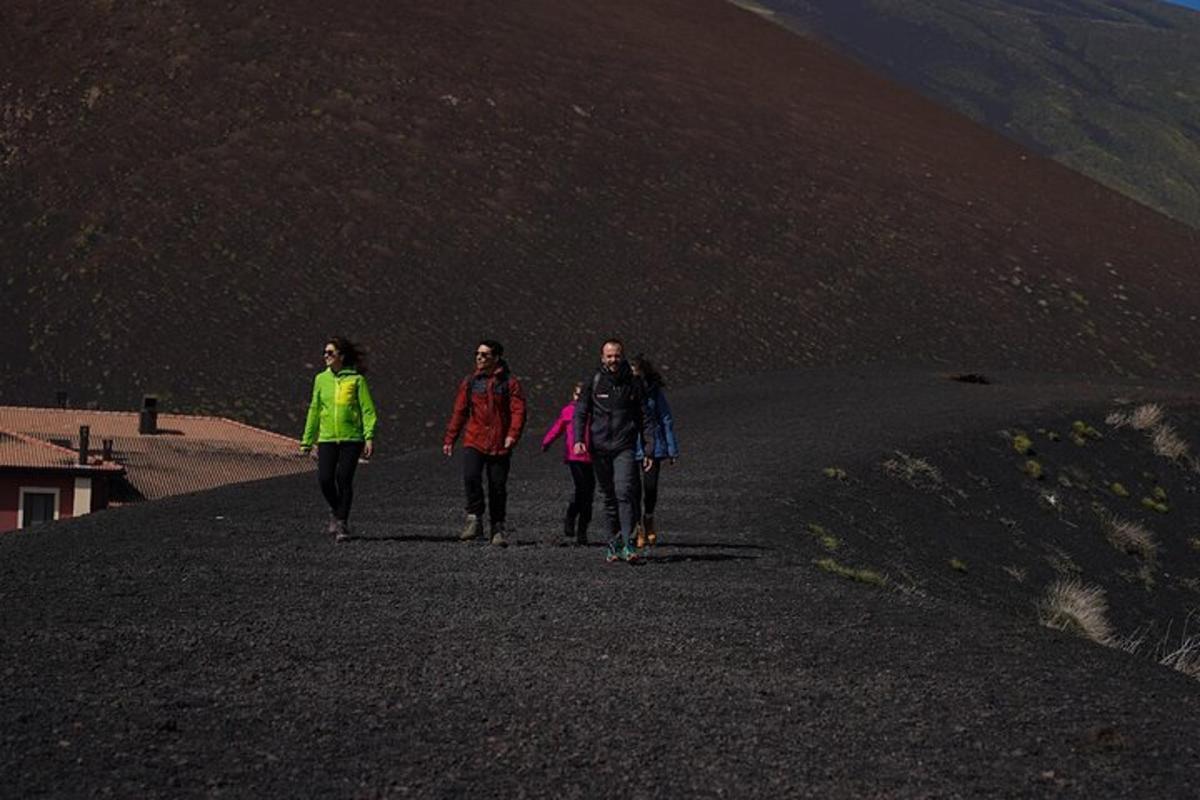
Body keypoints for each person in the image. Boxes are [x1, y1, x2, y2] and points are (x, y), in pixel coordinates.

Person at [572, 338, 657, 563]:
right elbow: (580, 412)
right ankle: (614, 542)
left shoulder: (634, 383)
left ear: (623, 356)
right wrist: (578, 439)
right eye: (609, 356)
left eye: (617, 355)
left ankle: (629, 544)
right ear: (603, 358)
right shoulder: (595, 381)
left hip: (624, 447)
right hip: (599, 448)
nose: (613, 360)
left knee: (624, 492)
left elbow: (646, 418)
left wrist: (649, 449)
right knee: (608, 497)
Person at [443, 339, 526, 546]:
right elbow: (460, 411)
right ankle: (474, 519)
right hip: (475, 439)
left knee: (497, 486)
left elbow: (518, 411)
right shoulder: (471, 382)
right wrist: (450, 438)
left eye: (484, 355)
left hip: (500, 443)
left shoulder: (509, 383)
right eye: (477, 354)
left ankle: (497, 527)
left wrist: (512, 435)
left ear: (496, 358)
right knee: (471, 477)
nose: (479, 358)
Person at [300, 336, 377, 542]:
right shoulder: (320, 380)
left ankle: (342, 523)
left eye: (330, 353)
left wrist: (369, 437)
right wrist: (307, 440)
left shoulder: (356, 381)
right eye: (324, 352)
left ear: (341, 356)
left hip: (352, 439)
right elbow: (314, 410)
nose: (326, 356)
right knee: (325, 479)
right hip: (326, 438)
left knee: (343, 478)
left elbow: (367, 410)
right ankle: (337, 510)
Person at [631, 354, 679, 549]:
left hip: (654, 445)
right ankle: (637, 527)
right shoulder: (625, 391)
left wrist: (671, 449)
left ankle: (648, 517)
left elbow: (665, 418)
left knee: (650, 487)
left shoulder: (654, 392)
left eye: (638, 374)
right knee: (632, 489)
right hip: (630, 445)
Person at [541, 381, 594, 546]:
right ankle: (571, 517)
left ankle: (582, 531)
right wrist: (547, 442)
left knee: (589, 495)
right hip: (574, 456)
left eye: (582, 395)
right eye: (577, 394)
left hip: (592, 457)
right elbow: (558, 428)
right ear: (573, 395)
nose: (579, 398)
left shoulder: (595, 411)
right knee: (581, 490)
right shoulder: (568, 410)